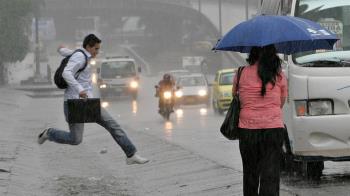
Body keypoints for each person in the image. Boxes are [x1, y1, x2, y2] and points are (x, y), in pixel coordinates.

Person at [37, 34, 149, 165]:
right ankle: (49, 133)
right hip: (74, 102)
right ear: (88, 47)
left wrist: (61, 49)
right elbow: (66, 73)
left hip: (88, 103)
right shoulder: (80, 57)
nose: (97, 52)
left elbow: (68, 53)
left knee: (113, 126)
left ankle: (131, 154)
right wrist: (80, 90)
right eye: (96, 49)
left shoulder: (81, 54)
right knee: (75, 139)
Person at [233, 45, 288, 196]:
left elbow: (236, 96)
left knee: (250, 173)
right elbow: (281, 101)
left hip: (248, 130)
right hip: (273, 129)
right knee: (270, 174)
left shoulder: (240, 73)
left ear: (252, 53)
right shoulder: (279, 75)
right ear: (272, 54)